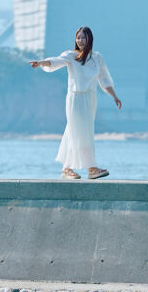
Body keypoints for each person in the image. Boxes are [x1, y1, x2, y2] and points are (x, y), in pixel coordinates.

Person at [30, 26, 121, 180]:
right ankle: (90, 168)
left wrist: (114, 96)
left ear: (90, 39)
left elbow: (104, 79)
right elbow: (56, 61)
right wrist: (40, 63)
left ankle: (68, 169)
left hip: (90, 98)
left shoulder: (97, 58)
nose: (80, 41)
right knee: (77, 131)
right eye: (78, 38)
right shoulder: (71, 56)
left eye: (83, 38)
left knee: (83, 131)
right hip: (75, 98)